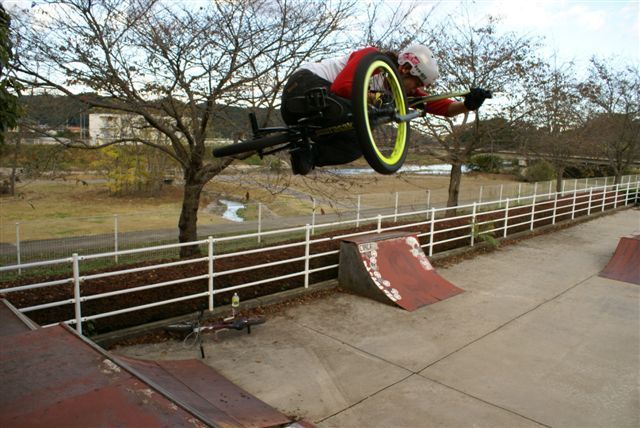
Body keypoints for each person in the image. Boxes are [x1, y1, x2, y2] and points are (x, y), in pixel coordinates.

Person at [280, 44, 492, 175]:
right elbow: (342, 87)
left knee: (359, 142)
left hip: (320, 112)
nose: (415, 90)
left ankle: (307, 154)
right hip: (305, 85)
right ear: (405, 69)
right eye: (416, 83)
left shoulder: (400, 91)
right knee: (364, 114)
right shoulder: (372, 58)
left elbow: (441, 107)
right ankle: (313, 113)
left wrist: (468, 105)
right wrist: (375, 98)